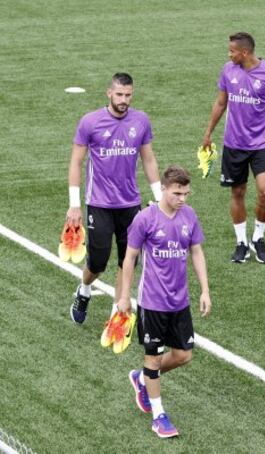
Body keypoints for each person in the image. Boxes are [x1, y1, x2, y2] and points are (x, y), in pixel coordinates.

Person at [116, 165, 211, 438]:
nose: (183, 198)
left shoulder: (189, 216)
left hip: (179, 302)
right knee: (153, 359)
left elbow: (196, 252)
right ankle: (159, 416)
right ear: (164, 190)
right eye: (177, 193)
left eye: (186, 193)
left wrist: (204, 290)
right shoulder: (145, 219)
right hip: (152, 302)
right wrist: (124, 296)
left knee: (184, 355)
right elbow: (129, 258)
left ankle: (141, 378)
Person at [66, 72, 162, 324]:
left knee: (127, 259)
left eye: (128, 95)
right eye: (119, 94)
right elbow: (76, 162)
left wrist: (160, 199)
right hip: (99, 204)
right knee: (97, 263)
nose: (124, 100)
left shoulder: (140, 121)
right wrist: (74, 204)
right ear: (109, 93)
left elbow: (148, 159)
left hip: (130, 205)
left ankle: (116, 313)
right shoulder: (90, 122)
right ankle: (84, 289)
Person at [203, 32, 265, 264]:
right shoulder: (228, 70)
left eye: (232, 51)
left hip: (262, 144)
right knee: (238, 192)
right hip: (234, 143)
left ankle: (258, 237)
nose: (229, 54)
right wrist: (208, 133)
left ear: (244, 52)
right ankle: (241, 242)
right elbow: (221, 102)